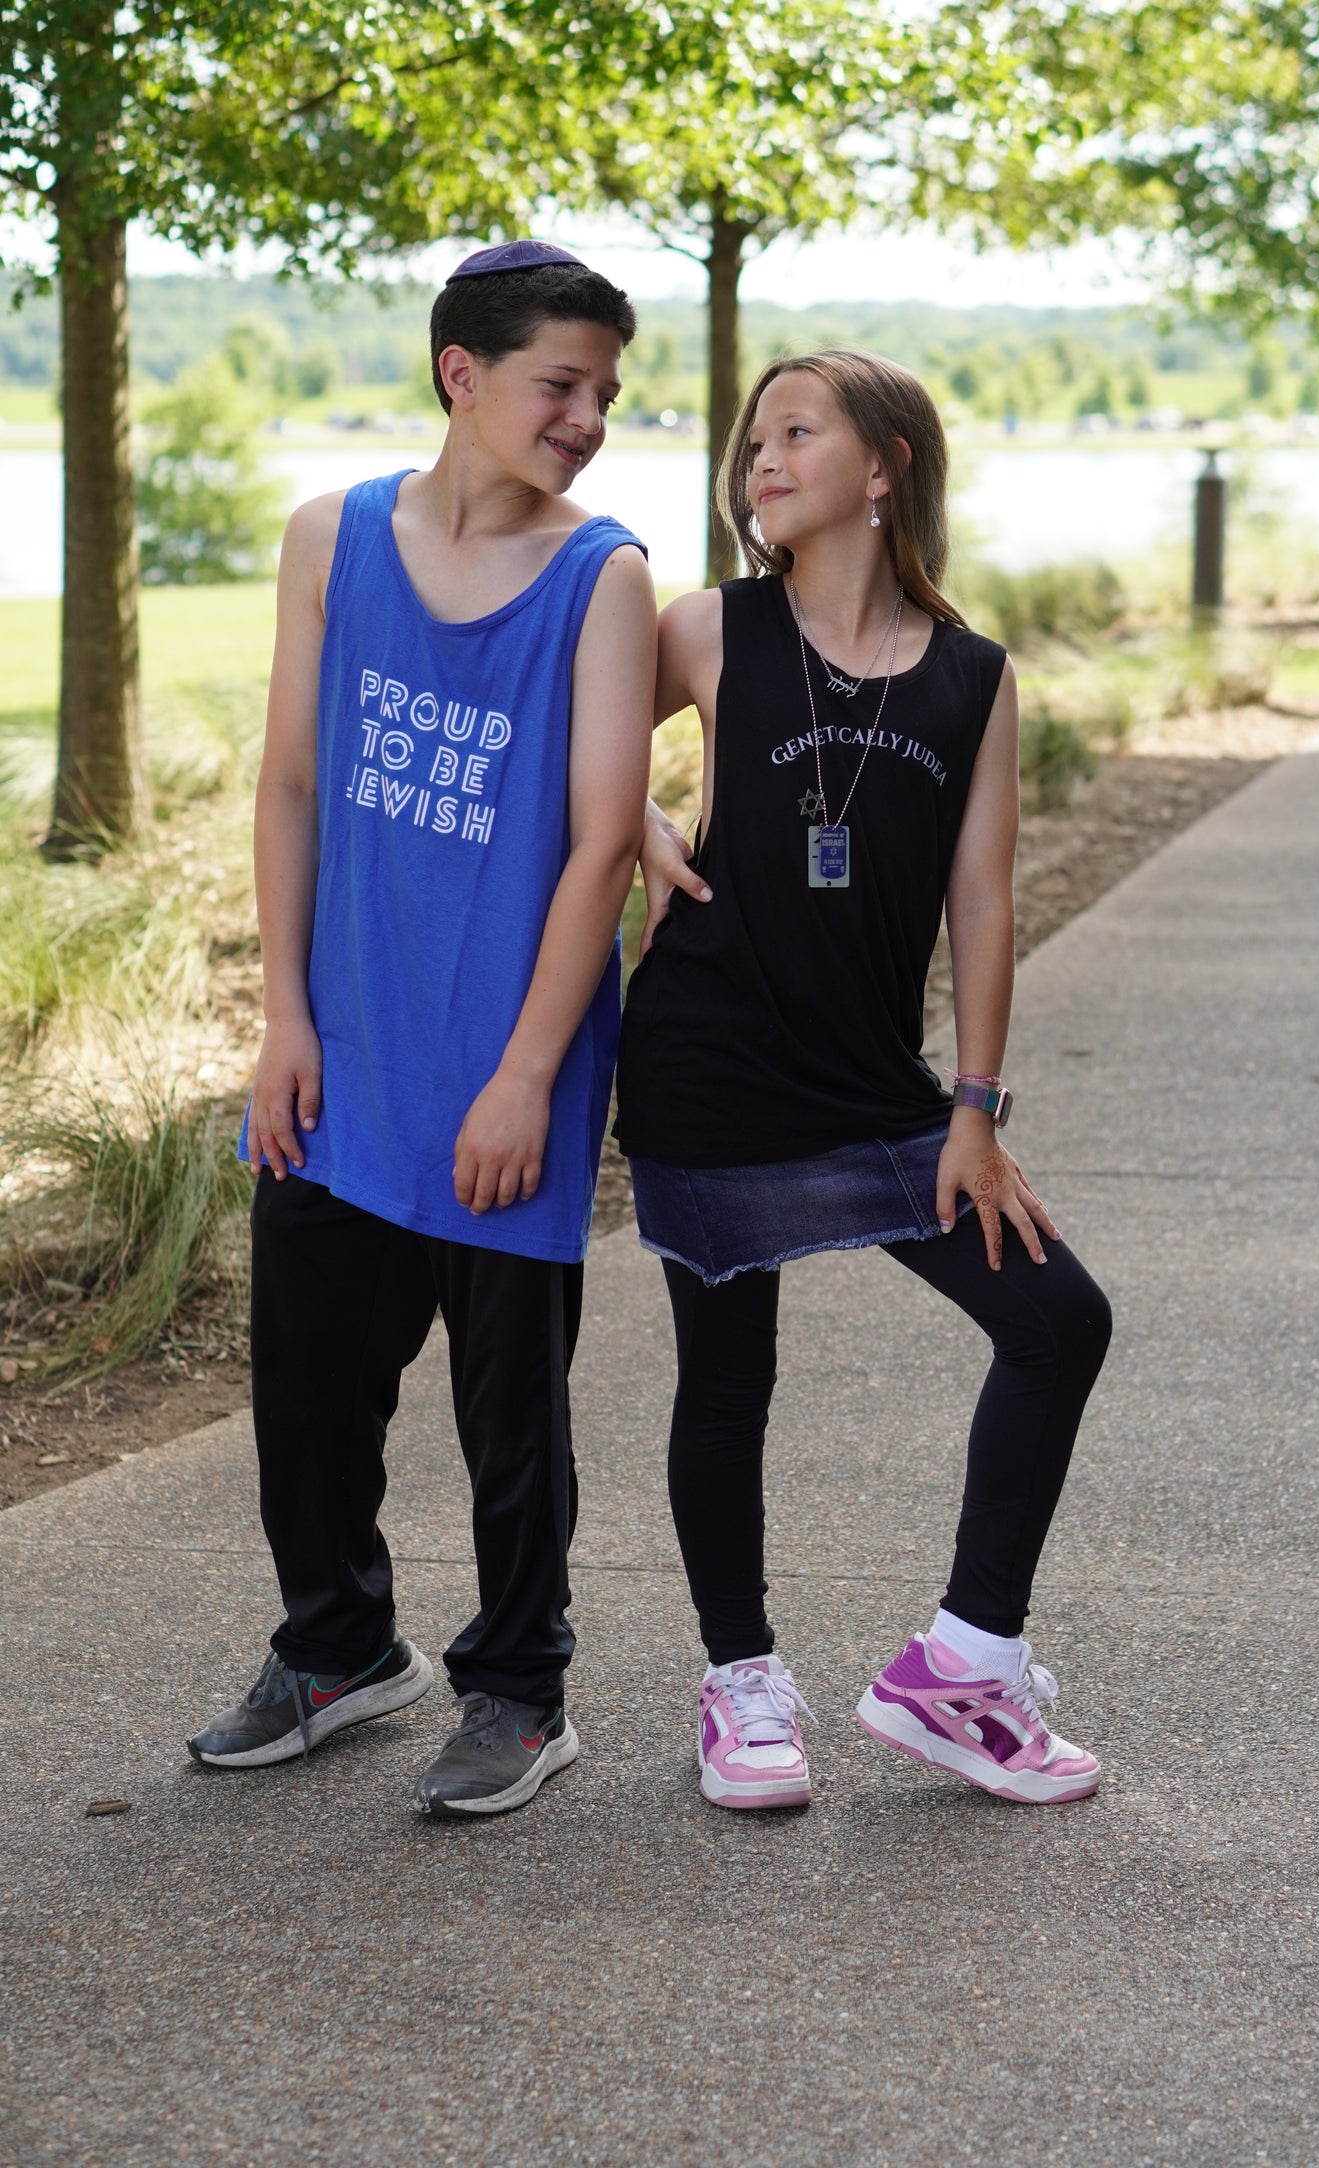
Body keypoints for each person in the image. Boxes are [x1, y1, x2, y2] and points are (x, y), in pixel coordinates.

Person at [187, 241, 655, 1819]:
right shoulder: (332, 536)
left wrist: (529, 1075)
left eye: (602, 391)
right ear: (462, 371)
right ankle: (336, 1649)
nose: (586, 416)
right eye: (559, 382)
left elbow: (601, 842)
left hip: (505, 1062)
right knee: (308, 1384)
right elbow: (293, 785)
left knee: (507, 1409)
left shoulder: (602, 578)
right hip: (345, 1043)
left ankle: (521, 1691)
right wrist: (283, 1018)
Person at [614, 348, 1112, 1813]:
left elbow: (985, 900)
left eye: (797, 432)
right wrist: (642, 821)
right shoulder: (706, 628)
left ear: (885, 465)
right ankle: (739, 1685)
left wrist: (975, 1107)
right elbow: (559, 746)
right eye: (750, 438)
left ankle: (962, 1665)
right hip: (706, 1055)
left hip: (876, 1086)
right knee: (728, 1379)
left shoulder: (973, 678)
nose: (760, 456)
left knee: (1056, 1318)